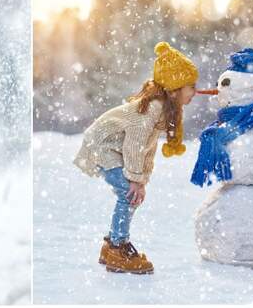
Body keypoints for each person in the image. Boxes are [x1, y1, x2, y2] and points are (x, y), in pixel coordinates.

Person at [73, 41, 198, 274]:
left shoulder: (164, 110)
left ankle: (112, 245)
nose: (195, 91)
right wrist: (133, 179)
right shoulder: (153, 108)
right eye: (191, 86)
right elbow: (134, 144)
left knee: (132, 194)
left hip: (115, 149)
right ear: (175, 88)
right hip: (103, 146)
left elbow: (147, 149)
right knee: (128, 195)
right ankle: (117, 247)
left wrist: (141, 180)